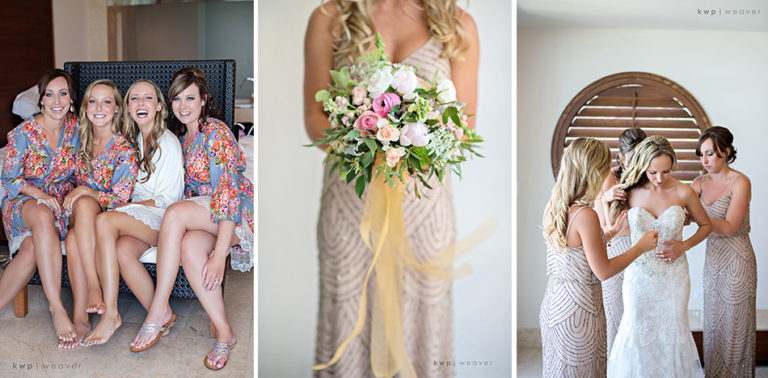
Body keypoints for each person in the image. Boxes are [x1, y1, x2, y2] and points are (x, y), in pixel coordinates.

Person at [304, 0, 479, 376]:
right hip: (351, 205)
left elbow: (465, 124)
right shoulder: (330, 18)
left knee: (422, 319)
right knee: (346, 314)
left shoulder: (458, 23)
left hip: (424, 208)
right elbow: (314, 117)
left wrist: (409, 142)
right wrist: (368, 139)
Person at [129, 67, 254, 371]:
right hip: (204, 216)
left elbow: (227, 195)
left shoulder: (216, 131)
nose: (183, 105)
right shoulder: (184, 139)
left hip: (234, 214)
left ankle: (158, 309)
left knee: (175, 212)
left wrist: (220, 254)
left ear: (203, 100)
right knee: (189, 248)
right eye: (177, 99)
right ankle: (225, 333)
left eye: (190, 98)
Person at [540, 137, 657, 377]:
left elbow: (575, 247)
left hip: (554, 303)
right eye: (605, 167)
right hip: (579, 311)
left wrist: (610, 233)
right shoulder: (586, 214)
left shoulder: (554, 205)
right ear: (593, 171)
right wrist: (640, 248)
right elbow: (602, 270)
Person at [80, 79, 184, 346]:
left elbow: (168, 199)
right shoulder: (134, 140)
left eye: (148, 98)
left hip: (166, 218)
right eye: (134, 98)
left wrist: (123, 209)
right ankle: (161, 314)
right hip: (140, 217)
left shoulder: (168, 142)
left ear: (159, 106)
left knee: (104, 220)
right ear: (127, 107)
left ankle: (111, 314)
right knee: (122, 251)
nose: (140, 103)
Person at [607, 135, 711, 377]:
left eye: (666, 171)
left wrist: (683, 246)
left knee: (673, 332)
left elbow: (706, 226)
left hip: (673, 277)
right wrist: (605, 200)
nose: (660, 178)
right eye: (653, 172)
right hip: (638, 278)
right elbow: (612, 228)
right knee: (636, 330)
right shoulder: (629, 192)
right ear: (642, 166)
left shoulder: (683, 191)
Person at [0, 69, 81, 345]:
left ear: (71, 99)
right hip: (23, 201)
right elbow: (8, 177)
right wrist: (39, 195)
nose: (56, 101)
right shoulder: (23, 133)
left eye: (63, 93)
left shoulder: (77, 128)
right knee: (44, 215)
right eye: (49, 94)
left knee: (32, 248)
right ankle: (56, 307)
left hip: (60, 203)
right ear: (41, 100)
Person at [61, 79, 138, 348]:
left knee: (72, 240)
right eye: (92, 101)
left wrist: (87, 191)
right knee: (81, 205)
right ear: (84, 107)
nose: (99, 107)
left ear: (117, 108)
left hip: (106, 217)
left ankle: (81, 316)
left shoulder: (124, 150)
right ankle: (93, 294)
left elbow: (121, 198)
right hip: (77, 214)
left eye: (107, 101)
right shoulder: (79, 138)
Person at [691, 126, 756, 377]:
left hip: (737, 258)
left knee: (735, 322)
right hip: (713, 259)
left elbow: (729, 227)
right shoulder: (697, 183)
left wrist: (697, 218)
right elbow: (677, 207)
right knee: (715, 320)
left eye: (710, 154)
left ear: (726, 152)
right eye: (701, 154)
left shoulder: (740, 182)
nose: (704, 160)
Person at [593, 127, 646, 356]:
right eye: (634, 158)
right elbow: (604, 227)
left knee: (640, 317)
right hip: (617, 250)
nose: (639, 164)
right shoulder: (609, 177)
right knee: (615, 315)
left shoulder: (652, 176)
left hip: (644, 253)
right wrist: (604, 199)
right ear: (622, 157)